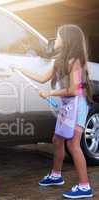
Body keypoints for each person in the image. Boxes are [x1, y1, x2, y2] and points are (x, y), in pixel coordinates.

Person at [16, 24, 94, 199]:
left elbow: (74, 90)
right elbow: (42, 78)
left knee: (73, 145)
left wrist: (50, 93)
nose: (55, 39)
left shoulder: (75, 61)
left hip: (77, 106)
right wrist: (20, 69)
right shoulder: (59, 61)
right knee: (57, 140)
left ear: (66, 40)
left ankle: (84, 186)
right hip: (67, 106)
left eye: (58, 36)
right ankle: (56, 176)